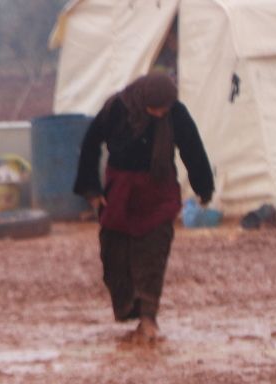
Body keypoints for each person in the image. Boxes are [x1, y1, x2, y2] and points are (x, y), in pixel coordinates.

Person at [73, 73, 214, 342]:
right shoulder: (116, 108)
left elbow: (192, 149)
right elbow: (90, 145)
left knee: (153, 253)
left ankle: (149, 317)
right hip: (121, 193)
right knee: (114, 253)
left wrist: (203, 188)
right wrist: (91, 191)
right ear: (143, 101)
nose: (160, 114)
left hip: (158, 192)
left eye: (165, 109)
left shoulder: (175, 113)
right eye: (155, 109)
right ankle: (130, 309)